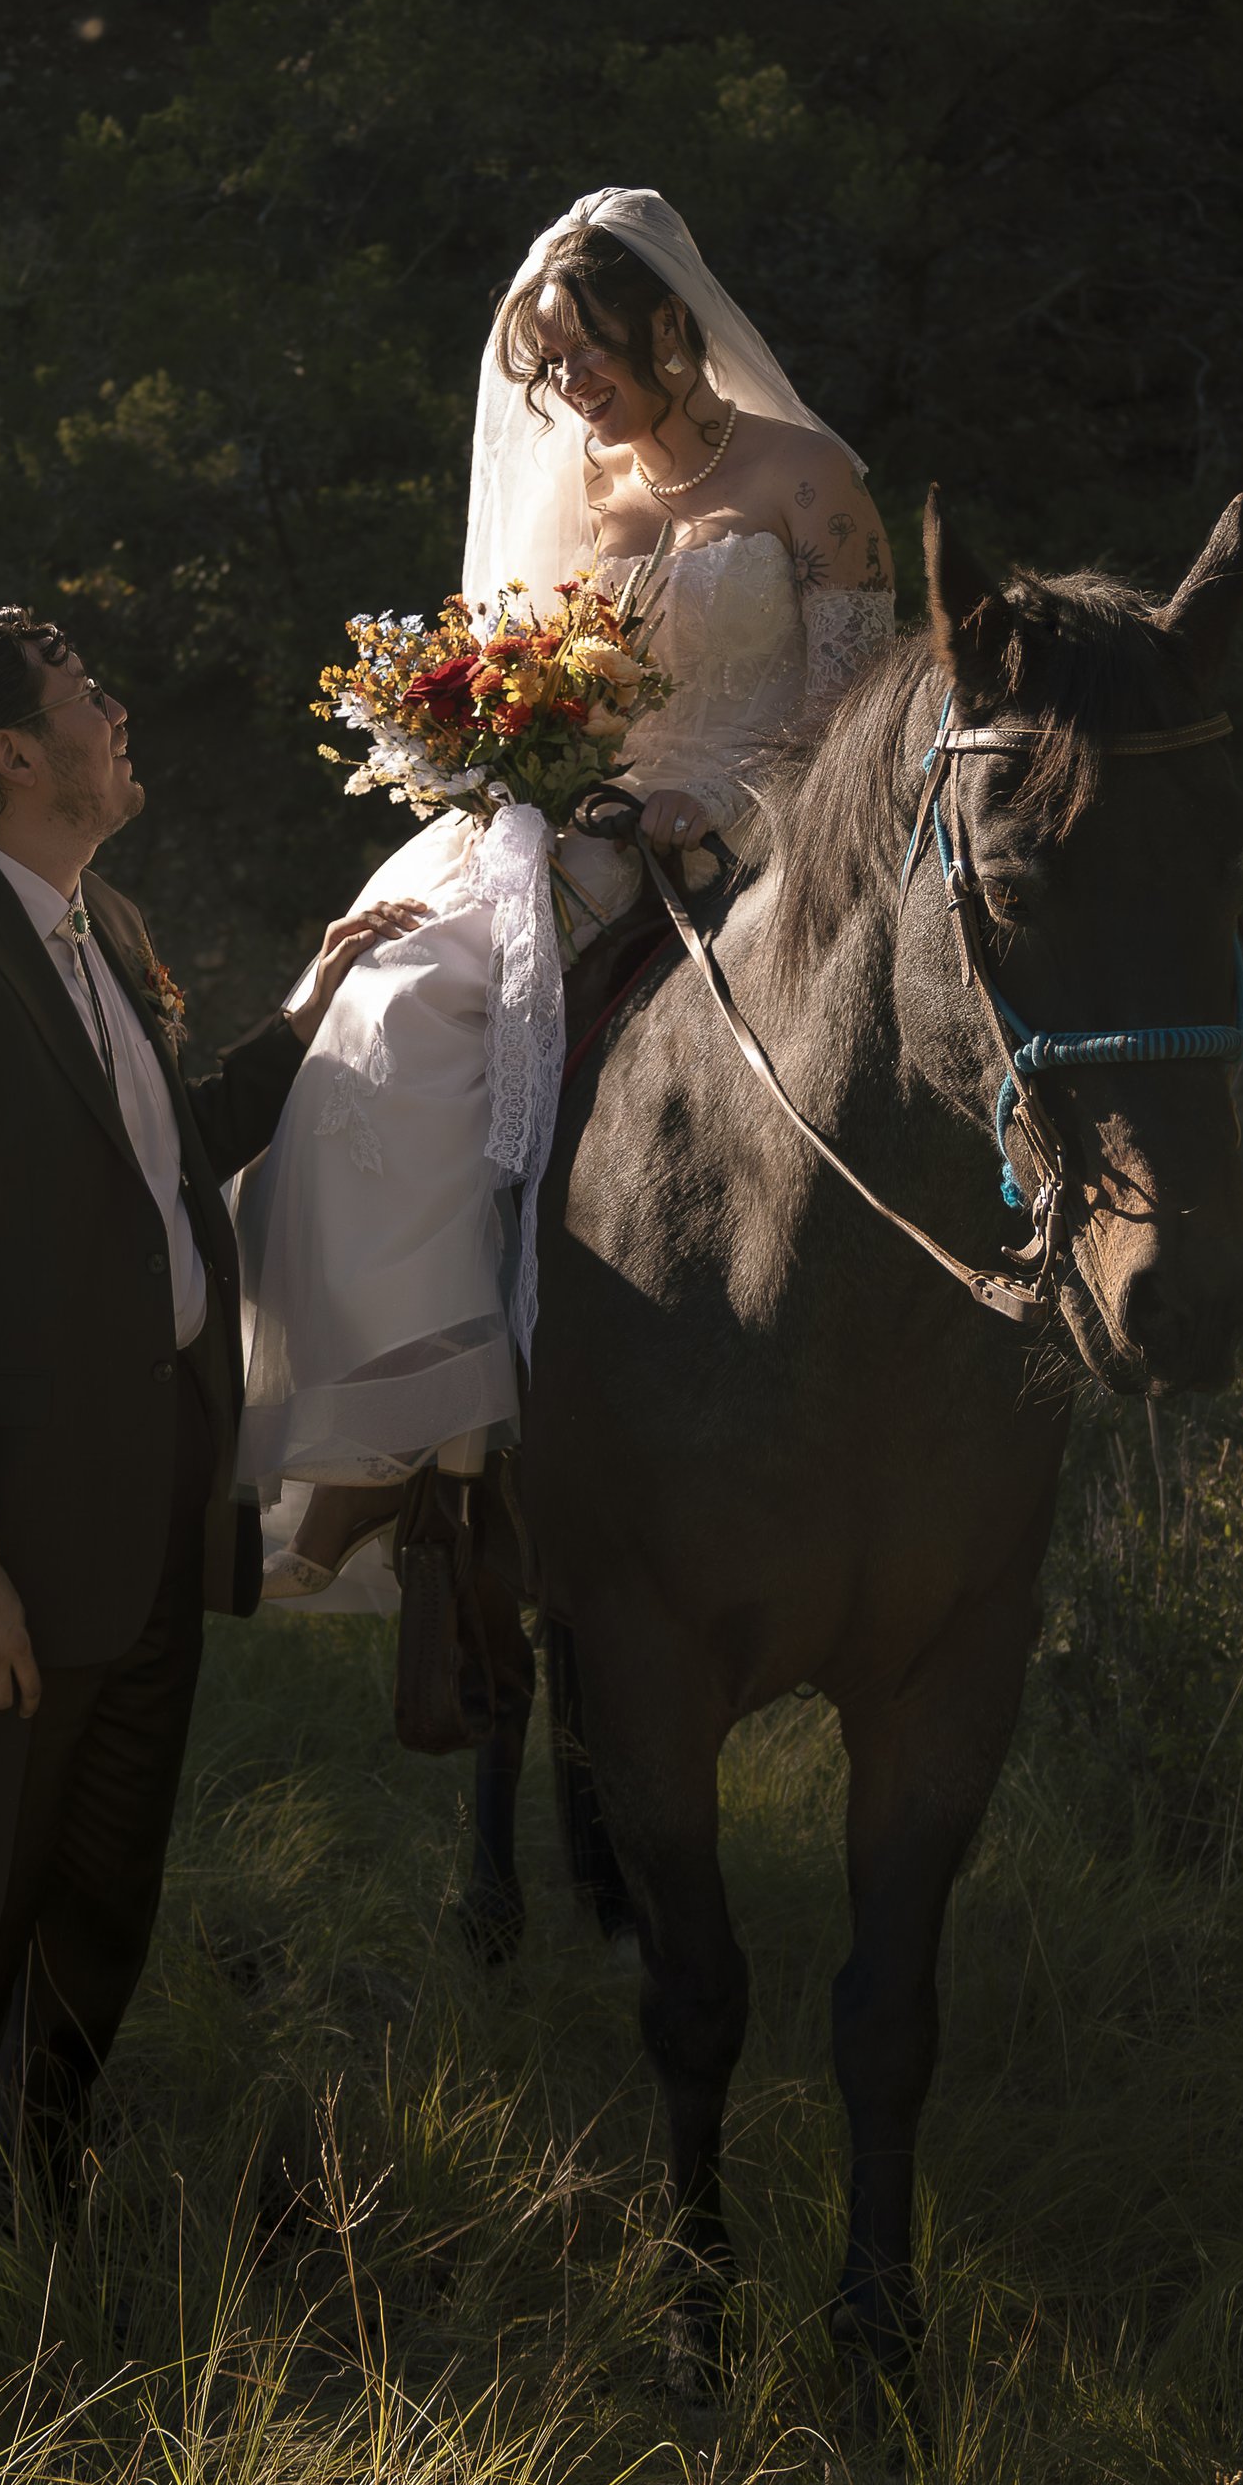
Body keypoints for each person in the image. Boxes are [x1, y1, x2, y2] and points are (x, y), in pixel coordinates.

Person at [0, 607, 418, 2481]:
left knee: (94, 1911)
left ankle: (50, 2193)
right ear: (6, 752)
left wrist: (297, 1024)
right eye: (88, 704)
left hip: (139, 1528)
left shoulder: (96, 934)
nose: (120, 720)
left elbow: (163, 1162)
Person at [241, 186, 893, 1600]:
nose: (569, 384)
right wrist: (493, 739)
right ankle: (405, 1423)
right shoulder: (582, 488)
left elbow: (850, 717)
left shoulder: (809, 479)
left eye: (588, 349)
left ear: (670, 324)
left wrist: (711, 802)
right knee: (392, 1007)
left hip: (759, 822)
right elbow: (534, 665)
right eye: (548, 361)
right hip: (580, 818)